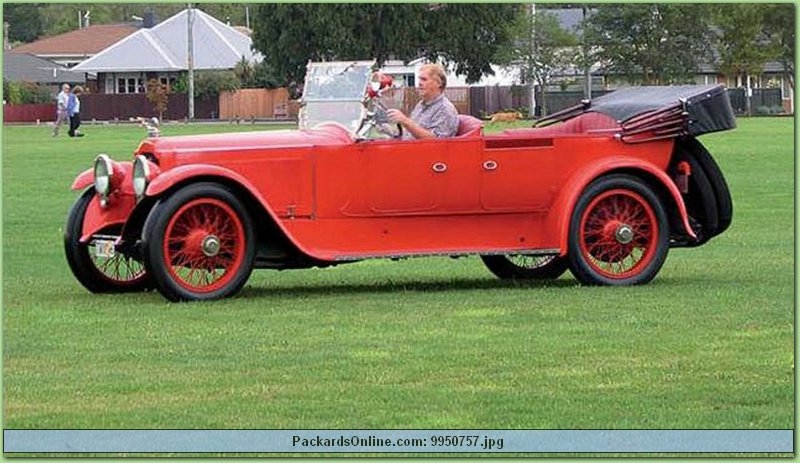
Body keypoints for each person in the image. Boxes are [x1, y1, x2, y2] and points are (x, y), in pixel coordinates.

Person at [386, 63, 459, 139]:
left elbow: (437, 142)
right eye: (419, 79)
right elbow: (410, 134)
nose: (419, 83)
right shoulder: (420, 105)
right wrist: (389, 130)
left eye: (424, 79)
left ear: (438, 83)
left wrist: (405, 121)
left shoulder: (445, 109)